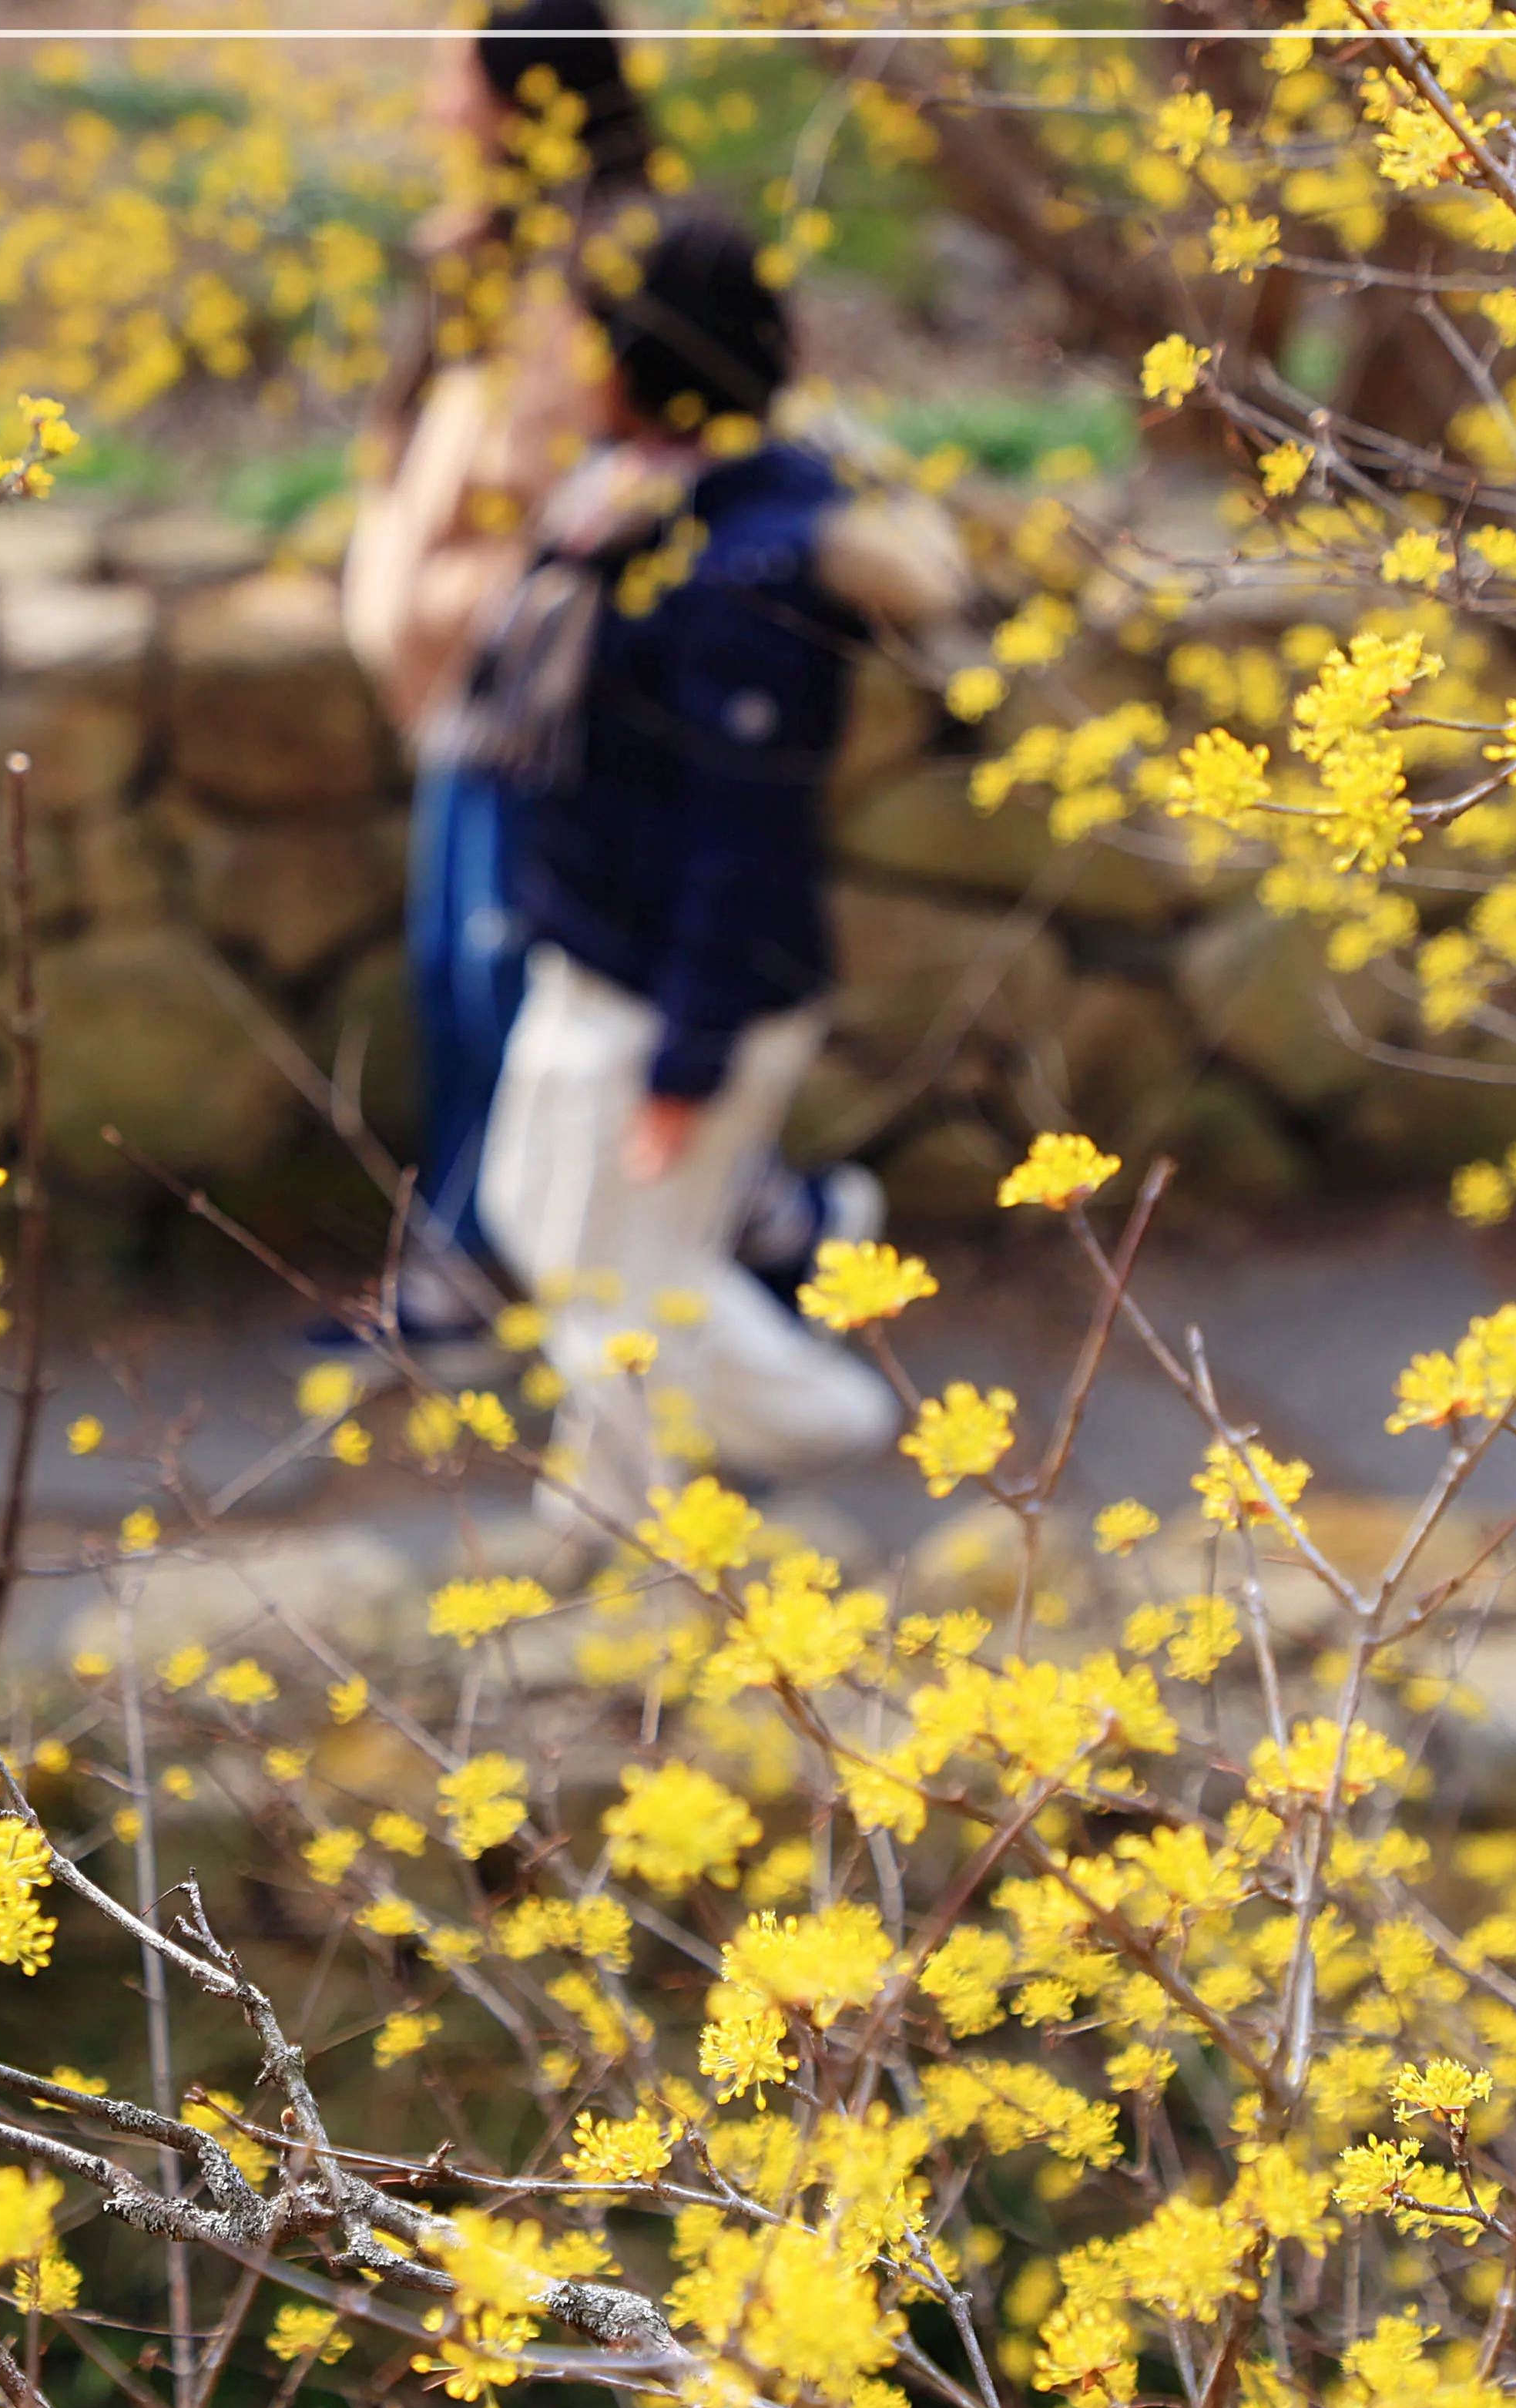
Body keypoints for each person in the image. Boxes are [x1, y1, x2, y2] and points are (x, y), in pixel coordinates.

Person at [468, 205, 934, 1536]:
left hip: (670, 984)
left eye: (587, 339)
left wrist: (688, 1063)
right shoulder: (647, 506)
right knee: (549, 1229)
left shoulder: (747, 569)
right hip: (600, 948)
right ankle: (785, 1412)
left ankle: (632, 1508)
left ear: (640, 361)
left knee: (614, 1279)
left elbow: (746, 840)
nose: (562, 367)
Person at [339, 1, 651, 1348]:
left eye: (455, 68)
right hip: (462, 694)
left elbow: (576, 477)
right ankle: (478, 1253)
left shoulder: (610, 261)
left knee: (505, 980)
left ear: (526, 94)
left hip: (545, 691)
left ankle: (477, 1263)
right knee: (457, 977)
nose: (432, 95)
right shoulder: (475, 256)